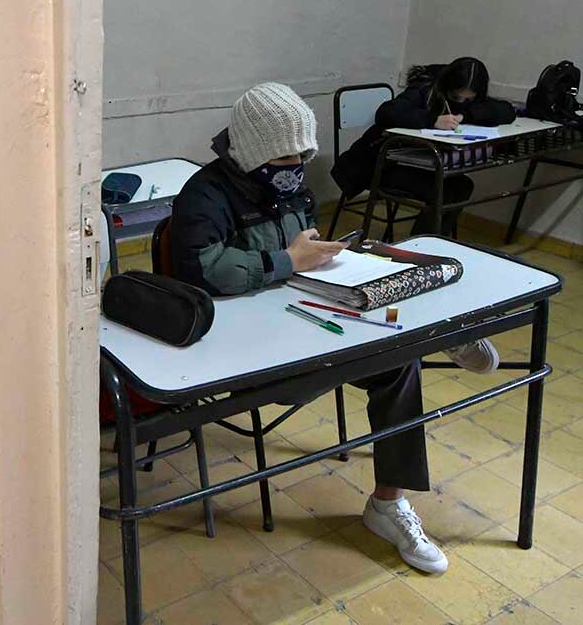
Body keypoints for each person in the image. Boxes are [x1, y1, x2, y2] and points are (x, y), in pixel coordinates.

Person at [170, 83, 500, 575]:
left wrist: (318, 254)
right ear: (256, 151)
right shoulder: (205, 195)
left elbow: (302, 247)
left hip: (304, 317)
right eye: (287, 155)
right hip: (252, 353)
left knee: (397, 359)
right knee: (396, 354)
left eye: (304, 152)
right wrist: (287, 259)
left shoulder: (290, 187)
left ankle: (388, 504)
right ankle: (431, 335)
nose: (299, 165)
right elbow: (201, 269)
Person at [332, 57, 516, 237]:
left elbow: (507, 111)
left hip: (420, 162)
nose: (461, 102)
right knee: (443, 192)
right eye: (456, 97)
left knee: (463, 186)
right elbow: (387, 113)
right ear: (449, 86)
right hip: (380, 163)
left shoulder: (470, 99)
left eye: (468, 99)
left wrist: (465, 116)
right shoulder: (424, 87)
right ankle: (421, 249)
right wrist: (433, 120)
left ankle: (435, 242)